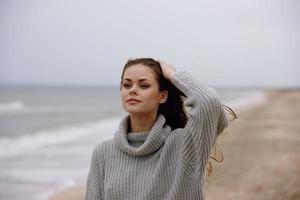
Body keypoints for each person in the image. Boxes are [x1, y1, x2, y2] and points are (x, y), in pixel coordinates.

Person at [85, 58, 231, 200]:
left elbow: (209, 102)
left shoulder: (184, 144)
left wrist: (173, 74)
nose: (133, 90)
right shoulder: (103, 153)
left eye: (144, 85)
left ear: (162, 96)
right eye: (127, 85)